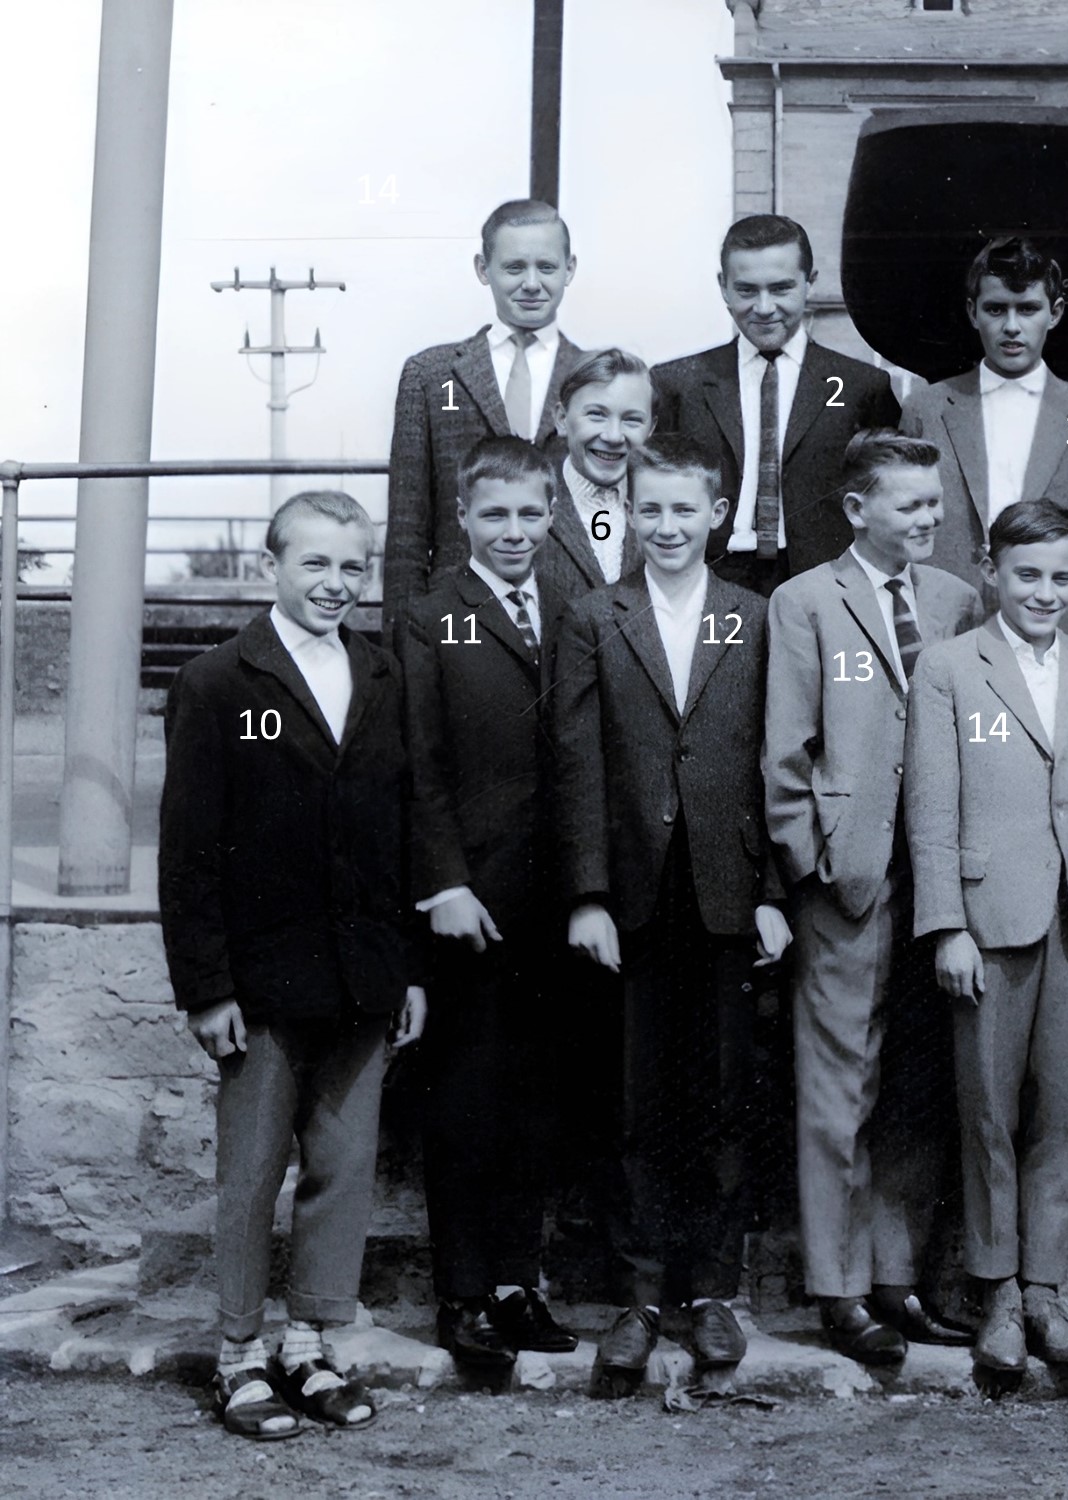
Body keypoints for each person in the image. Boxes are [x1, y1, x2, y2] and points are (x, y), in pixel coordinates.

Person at [159, 491, 426, 1439]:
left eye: (353, 567)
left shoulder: (383, 673)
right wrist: (207, 987)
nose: (335, 584)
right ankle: (238, 1357)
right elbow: (189, 851)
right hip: (262, 986)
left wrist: (408, 972)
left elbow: (401, 831)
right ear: (273, 566)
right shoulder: (218, 681)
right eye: (315, 564)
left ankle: (309, 1349)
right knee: (252, 1173)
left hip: (363, 978)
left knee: (342, 1169)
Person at [549, 435, 792, 1395]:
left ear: (717, 515)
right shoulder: (592, 616)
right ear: (627, 514)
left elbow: (781, 763)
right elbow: (575, 763)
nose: (667, 526)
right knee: (634, 1099)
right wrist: (589, 896)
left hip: (728, 896)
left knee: (726, 1098)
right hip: (635, 898)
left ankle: (713, 1291)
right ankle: (640, 1294)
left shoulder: (755, 617)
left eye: (684, 510)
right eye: (649, 510)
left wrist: (774, 895)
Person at [904, 500, 1068, 1379]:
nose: (1045, 591)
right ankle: (995, 1288)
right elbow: (931, 806)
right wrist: (946, 926)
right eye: (1027, 574)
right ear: (990, 571)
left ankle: (1045, 1289)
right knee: (988, 1111)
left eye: (1061, 576)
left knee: (1066, 1109)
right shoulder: (949, 668)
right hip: (988, 918)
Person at [763, 431, 984, 1366]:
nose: (929, 519)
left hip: (941, 880)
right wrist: (815, 865)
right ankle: (839, 1288)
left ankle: (896, 1280)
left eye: (935, 504)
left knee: (919, 1089)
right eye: (909, 506)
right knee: (837, 1086)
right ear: (858, 510)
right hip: (848, 881)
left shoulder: (959, 600)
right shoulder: (805, 602)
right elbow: (786, 756)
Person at [394, 438, 581, 1379]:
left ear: (554, 516)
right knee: (466, 1096)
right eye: (495, 515)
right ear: (464, 518)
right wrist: (446, 881)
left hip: (555, 905)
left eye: (530, 514)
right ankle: (463, 1292)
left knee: (535, 1100)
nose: (514, 532)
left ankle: (516, 1280)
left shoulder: (576, 613)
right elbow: (420, 765)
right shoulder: (433, 620)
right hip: (472, 901)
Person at [652, 213, 902, 596]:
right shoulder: (677, 383)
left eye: (781, 288)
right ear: (723, 287)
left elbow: (884, 497)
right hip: (710, 580)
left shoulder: (860, 386)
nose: (765, 308)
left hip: (825, 583)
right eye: (747, 290)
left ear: (809, 283)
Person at [900, 236, 1068, 648]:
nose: (1011, 326)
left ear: (1054, 313)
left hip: (1056, 637)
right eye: (996, 309)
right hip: (947, 633)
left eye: (1028, 309)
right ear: (973, 312)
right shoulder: (925, 410)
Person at [387, 199, 588, 602]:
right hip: (459, 613)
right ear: (483, 269)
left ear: (569, 269)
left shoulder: (594, 377)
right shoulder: (432, 375)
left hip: (572, 612)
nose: (532, 283)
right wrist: (404, 646)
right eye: (514, 267)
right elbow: (407, 532)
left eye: (546, 267)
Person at [538, 348, 654, 609]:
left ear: (651, 430)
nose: (613, 436)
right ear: (561, 419)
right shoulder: (528, 498)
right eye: (596, 415)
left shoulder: (663, 504)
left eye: (632, 420)